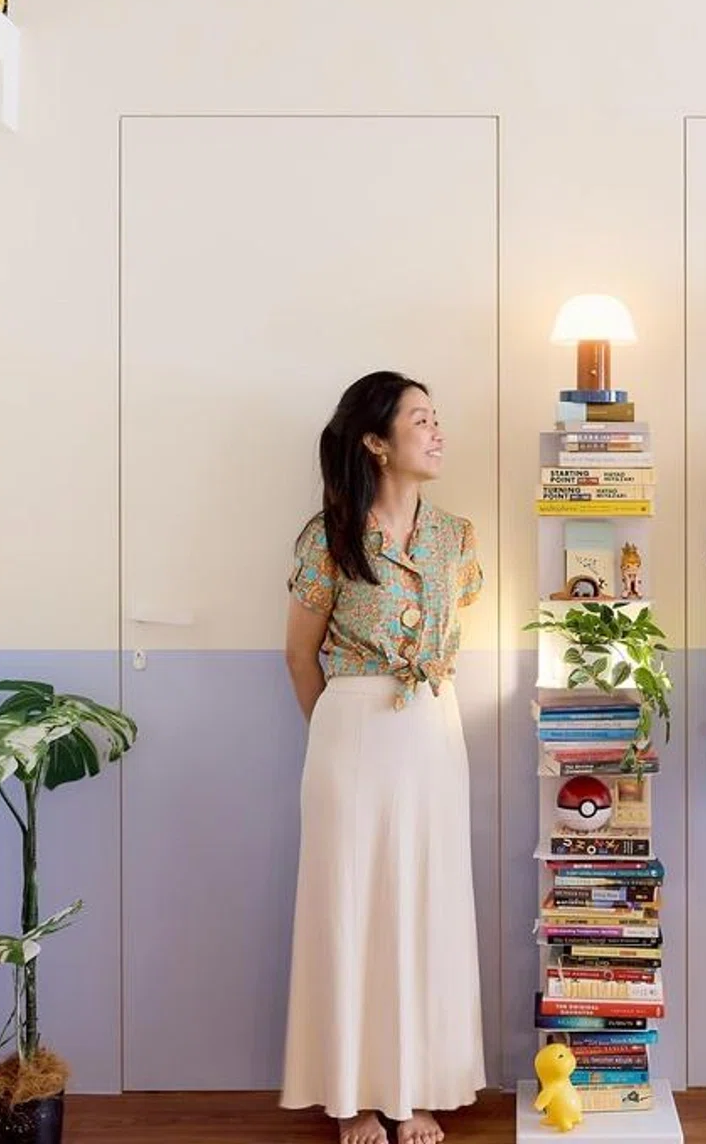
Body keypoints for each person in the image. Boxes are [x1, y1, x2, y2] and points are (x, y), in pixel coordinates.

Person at [279, 371, 487, 1144]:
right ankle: (355, 1099)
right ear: (375, 441)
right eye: (420, 420)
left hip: (434, 729)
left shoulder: (456, 538)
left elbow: (454, 616)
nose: (437, 432)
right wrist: (340, 730)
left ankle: (419, 1088)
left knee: (426, 907)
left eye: (438, 418)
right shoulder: (327, 535)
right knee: (351, 908)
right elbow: (301, 657)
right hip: (351, 731)